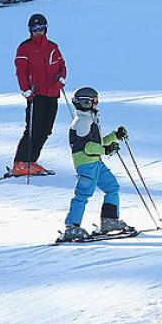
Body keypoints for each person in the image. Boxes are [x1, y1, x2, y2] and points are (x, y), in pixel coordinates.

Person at [59, 87, 133, 242]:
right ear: (85, 103)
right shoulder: (82, 122)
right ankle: (71, 227)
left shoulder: (89, 119)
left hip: (96, 162)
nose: (96, 104)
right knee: (82, 194)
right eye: (94, 101)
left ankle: (109, 221)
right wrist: (106, 150)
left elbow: (96, 143)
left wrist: (115, 136)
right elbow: (87, 147)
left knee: (112, 187)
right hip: (86, 165)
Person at [12, 13, 67, 177]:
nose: (38, 32)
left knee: (45, 130)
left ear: (46, 28)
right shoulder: (25, 48)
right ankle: (20, 162)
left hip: (52, 93)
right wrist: (25, 89)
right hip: (36, 94)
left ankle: (31, 161)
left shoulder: (53, 47)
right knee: (33, 129)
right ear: (30, 30)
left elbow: (62, 66)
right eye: (35, 29)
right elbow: (21, 71)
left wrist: (61, 78)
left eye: (41, 28)